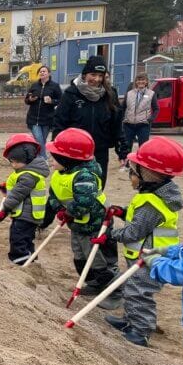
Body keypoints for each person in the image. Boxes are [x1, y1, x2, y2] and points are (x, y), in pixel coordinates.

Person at [100, 137, 183, 347]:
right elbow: (138, 219)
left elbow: (134, 232)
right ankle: (130, 320)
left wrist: (111, 235)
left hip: (149, 258)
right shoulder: (151, 196)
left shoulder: (152, 204)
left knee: (140, 292)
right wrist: (122, 212)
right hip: (141, 255)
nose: (131, 176)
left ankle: (141, 330)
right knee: (131, 287)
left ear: (149, 175)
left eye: (134, 172)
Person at [45, 128, 121, 306]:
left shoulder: (85, 176)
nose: (51, 160)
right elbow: (54, 195)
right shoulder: (60, 174)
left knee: (95, 256)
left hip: (95, 224)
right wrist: (59, 209)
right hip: (77, 224)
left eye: (54, 157)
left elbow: (85, 201)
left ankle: (110, 288)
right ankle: (92, 282)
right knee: (79, 254)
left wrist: (69, 212)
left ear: (67, 159)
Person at [52, 55, 128, 188]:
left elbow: (116, 125)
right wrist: (57, 150)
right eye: (93, 74)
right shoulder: (71, 94)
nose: (97, 79)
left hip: (100, 150)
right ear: (85, 74)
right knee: (74, 188)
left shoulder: (110, 95)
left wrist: (122, 150)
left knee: (97, 186)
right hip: (74, 151)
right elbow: (59, 123)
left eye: (101, 75)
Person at [0, 134, 49, 265]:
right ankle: (30, 259)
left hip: (27, 216)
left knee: (18, 238)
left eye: (14, 161)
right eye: (11, 161)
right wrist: (6, 188)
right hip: (28, 214)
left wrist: (4, 210)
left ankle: (20, 260)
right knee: (27, 238)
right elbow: (18, 189)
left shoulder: (29, 176)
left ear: (25, 159)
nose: (13, 164)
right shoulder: (27, 172)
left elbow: (16, 195)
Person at [24, 65, 62, 153]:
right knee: (39, 141)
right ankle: (43, 160)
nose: (42, 73)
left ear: (49, 73)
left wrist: (51, 101)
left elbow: (61, 101)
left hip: (47, 119)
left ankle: (36, 157)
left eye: (44, 71)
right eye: (40, 71)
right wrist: (30, 99)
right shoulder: (34, 86)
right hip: (33, 119)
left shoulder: (55, 86)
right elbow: (26, 100)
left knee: (42, 141)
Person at [121, 73, 159, 151]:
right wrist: (122, 118)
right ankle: (126, 162)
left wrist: (150, 119)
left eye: (143, 80)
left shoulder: (151, 94)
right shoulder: (129, 93)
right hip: (128, 125)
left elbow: (156, 109)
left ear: (146, 82)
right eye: (138, 80)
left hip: (143, 125)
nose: (140, 82)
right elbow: (123, 107)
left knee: (143, 147)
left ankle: (141, 163)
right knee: (126, 147)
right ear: (136, 82)